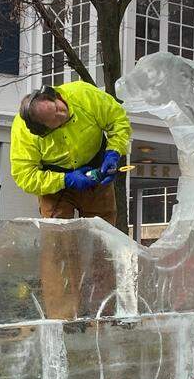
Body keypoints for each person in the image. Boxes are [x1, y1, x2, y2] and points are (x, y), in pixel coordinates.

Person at [10, 82, 132, 319]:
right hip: (55, 181)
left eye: (57, 107)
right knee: (58, 249)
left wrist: (114, 152)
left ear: (54, 95)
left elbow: (118, 119)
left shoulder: (83, 94)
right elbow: (24, 176)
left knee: (103, 243)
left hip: (97, 168)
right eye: (55, 119)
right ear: (43, 130)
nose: (61, 113)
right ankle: (63, 318)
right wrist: (66, 180)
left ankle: (104, 313)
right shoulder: (23, 132)